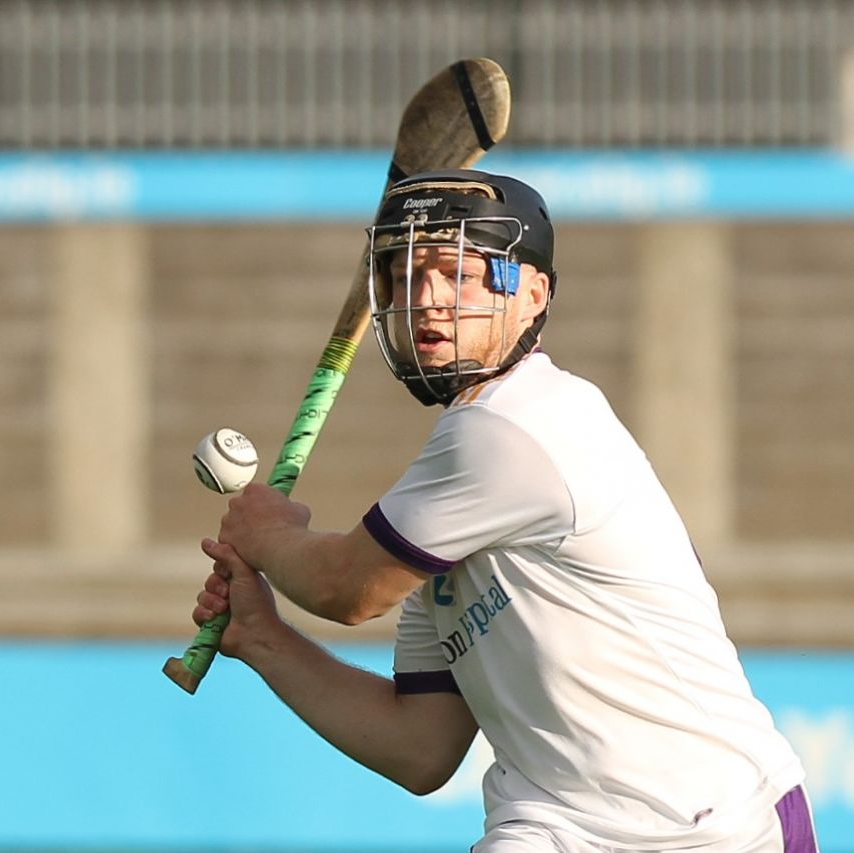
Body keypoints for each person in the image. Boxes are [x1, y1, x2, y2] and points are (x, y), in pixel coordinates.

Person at [192, 169, 818, 852]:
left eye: (457, 273)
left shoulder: (517, 426)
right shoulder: (442, 497)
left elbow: (346, 587)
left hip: (716, 823)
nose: (426, 300)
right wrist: (263, 639)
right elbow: (419, 747)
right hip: (554, 825)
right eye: (404, 276)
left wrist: (268, 533)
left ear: (533, 294)